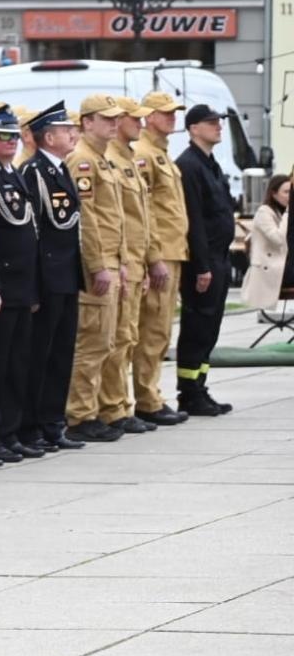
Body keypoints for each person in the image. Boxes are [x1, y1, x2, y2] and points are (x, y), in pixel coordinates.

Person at [0, 105, 44, 462]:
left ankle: (10, 431)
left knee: (17, 364)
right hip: (2, 282)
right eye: (3, 136)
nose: (11, 142)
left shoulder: (11, 172)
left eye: (15, 136)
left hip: (22, 283)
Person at [18, 103, 86, 454]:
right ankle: (32, 427)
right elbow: (33, 231)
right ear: (48, 137)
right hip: (47, 277)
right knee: (39, 356)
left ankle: (53, 422)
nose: (73, 134)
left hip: (67, 274)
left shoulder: (60, 170)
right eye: (65, 130)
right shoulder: (34, 172)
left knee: (61, 354)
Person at [64, 94, 128, 444]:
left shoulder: (104, 159)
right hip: (97, 266)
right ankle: (79, 415)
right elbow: (86, 219)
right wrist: (98, 265)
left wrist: (123, 262)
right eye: (106, 119)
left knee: (108, 342)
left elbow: (115, 218)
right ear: (87, 122)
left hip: (113, 262)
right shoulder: (83, 160)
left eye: (116, 118)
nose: (114, 124)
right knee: (91, 344)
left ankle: (98, 409)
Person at [98, 97, 158, 436]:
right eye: (134, 118)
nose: (141, 124)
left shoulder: (128, 160)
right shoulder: (106, 161)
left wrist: (148, 261)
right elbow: (104, 220)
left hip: (132, 261)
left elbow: (142, 218)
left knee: (128, 337)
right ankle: (111, 407)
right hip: (118, 261)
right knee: (115, 339)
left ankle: (120, 404)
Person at [174, 103, 238, 415]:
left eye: (218, 121)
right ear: (194, 128)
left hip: (219, 258)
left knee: (210, 328)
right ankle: (188, 393)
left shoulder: (210, 164)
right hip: (204, 261)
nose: (218, 126)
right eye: (211, 122)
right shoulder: (189, 165)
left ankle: (200, 387)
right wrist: (201, 266)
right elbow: (194, 220)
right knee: (197, 327)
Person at [133, 92, 189, 425]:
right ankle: (146, 399)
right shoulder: (144, 154)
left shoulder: (161, 154)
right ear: (149, 116)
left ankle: (151, 393)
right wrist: (152, 255)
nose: (172, 117)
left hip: (173, 250)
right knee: (151, 329)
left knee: (162, 329)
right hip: (160, 252)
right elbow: (146, 211)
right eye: (165, 112)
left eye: (174, 112)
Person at [244, 174, 291, 310]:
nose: (290, 196)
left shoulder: (280, 212)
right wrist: (289, 213)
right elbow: (279, 239)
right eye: (286, 192)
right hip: (271, 269)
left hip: (283, 265)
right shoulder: (264, 213)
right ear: (273, 194)